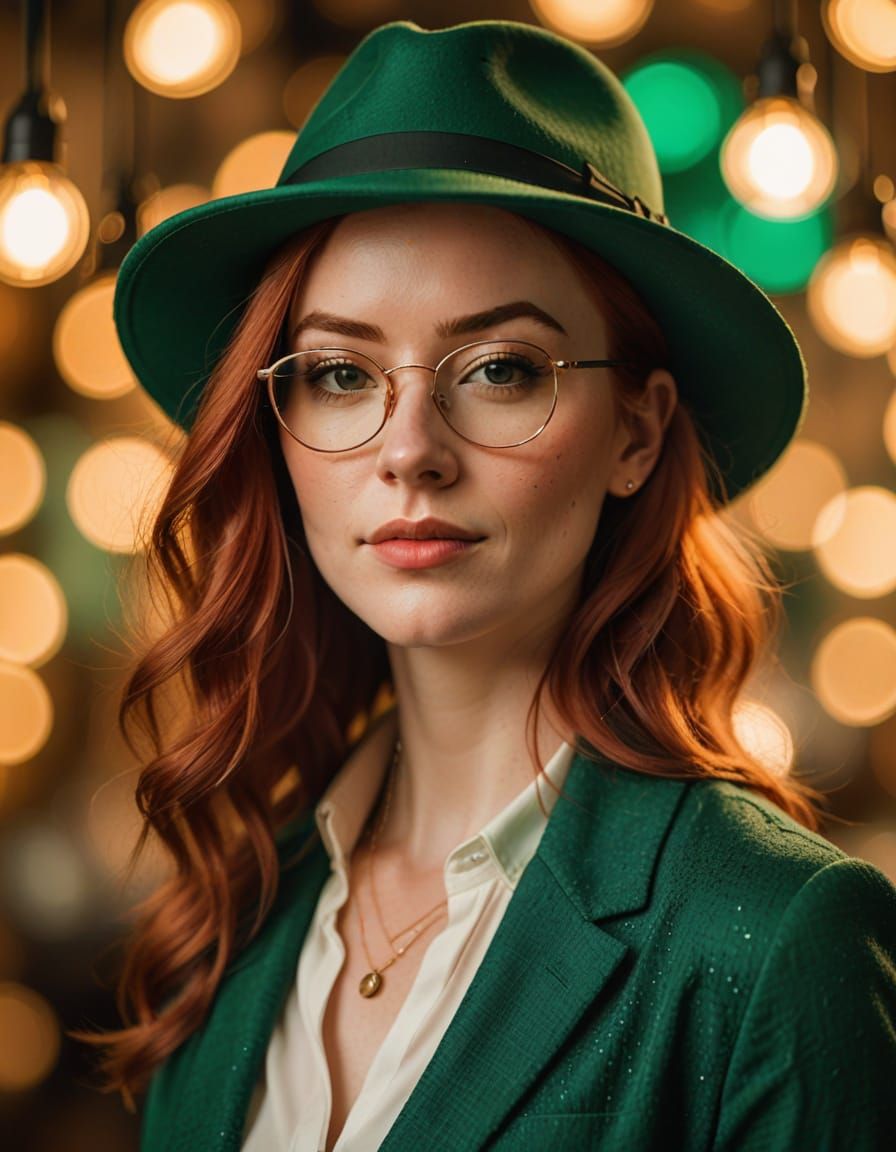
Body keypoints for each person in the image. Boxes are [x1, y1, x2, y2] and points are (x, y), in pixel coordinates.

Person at [73, 17, 896, 1152]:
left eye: (501, 369)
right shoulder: (232, 917)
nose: (409, 450)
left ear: (636, 433)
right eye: (339, 374)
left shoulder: (773, 939)